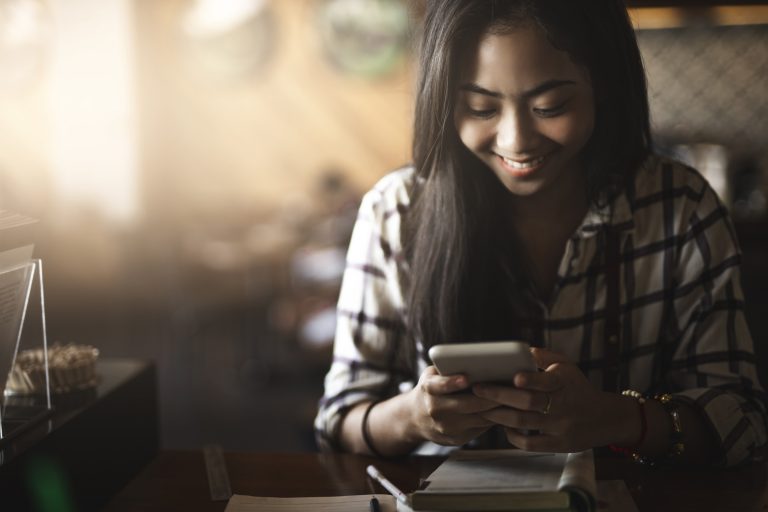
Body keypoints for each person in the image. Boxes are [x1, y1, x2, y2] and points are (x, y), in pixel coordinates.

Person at [314, 0, 767, 467]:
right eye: (480, 108)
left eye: (550, 106)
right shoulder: (396, 212)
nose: (516, 140)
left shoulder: (680, 206)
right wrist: (413, 417)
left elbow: (742, 422)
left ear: (604, 86)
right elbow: (337, 425)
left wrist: (614, 418)